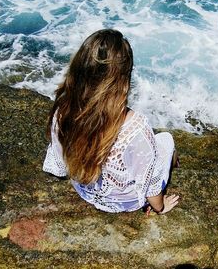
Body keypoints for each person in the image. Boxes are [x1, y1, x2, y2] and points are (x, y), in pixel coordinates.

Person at [42, 29, 179, 215]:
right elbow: (149, 179)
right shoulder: (135, 126)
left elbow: (59, 156)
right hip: (124, 202)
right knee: (166, 140)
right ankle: (174, 160)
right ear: (123, 79)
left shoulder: (64, 108)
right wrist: (160, 207)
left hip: (84, 189)